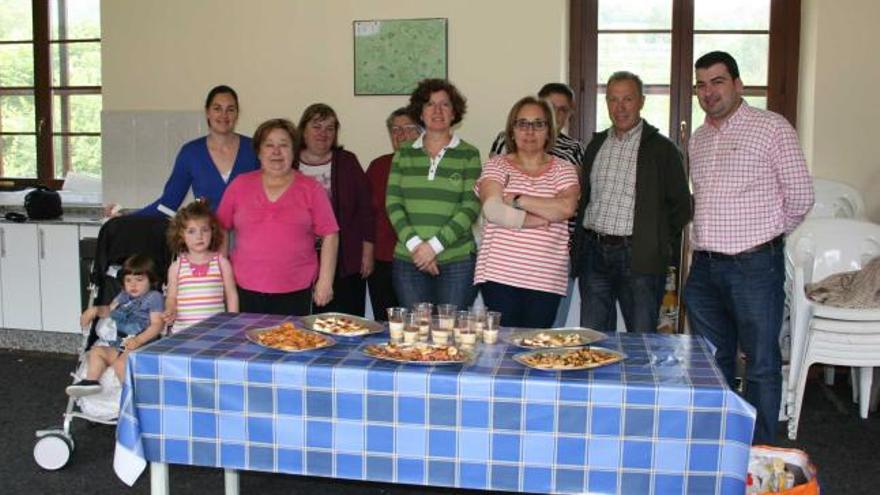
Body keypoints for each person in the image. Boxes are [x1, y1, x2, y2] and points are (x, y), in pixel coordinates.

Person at [684, 51, 814, 445]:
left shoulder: (772, 128)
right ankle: (720, 445)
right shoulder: (698, 140)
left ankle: (759, 453)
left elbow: (801, 196)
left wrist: (766, 240)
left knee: (760, 364)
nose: (709, 92)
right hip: (705, 270)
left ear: (738, 84)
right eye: (701, 85)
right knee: (712, 362)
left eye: (718, 81)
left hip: (754, 267)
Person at [573, 71, 692, 333]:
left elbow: (682, 206)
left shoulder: (663, 149)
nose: (620, 107)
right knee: (592, 337)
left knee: (641, 339)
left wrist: (655, 239)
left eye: (627, 99)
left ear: (641, 101)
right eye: (613, 100)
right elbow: (586, 198)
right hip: (595, 255)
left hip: (639, 257)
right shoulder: (596, 145)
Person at [217, 119, 339, 316]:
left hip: (296, 290)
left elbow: (330, 234)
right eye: (269, 145)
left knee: (292, 344)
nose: (276, 152)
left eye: (283, 145)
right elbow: (220, 229)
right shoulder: (239, 185)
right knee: (246, 346)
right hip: (244, 289)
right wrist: (221, 277)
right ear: (259, 151)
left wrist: (326, 281)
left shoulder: (311, 188)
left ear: (294, 151)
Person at [475, 96, 579, 327]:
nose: (529, 131)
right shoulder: (496, 165)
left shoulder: (564, 169)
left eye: (538, 124)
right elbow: (492, 209)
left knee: (536, 347)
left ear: (549, 131)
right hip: (499, 274)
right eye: (522, 123)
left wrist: (518, 200)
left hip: (546, 276)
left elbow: (566, 208)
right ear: (511, 131)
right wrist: (537, 219)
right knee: (503, 348)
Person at [386, 79, 481, 309]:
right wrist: (418, 247)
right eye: (430, 104)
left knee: (451, 336)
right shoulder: (404, 154)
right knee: (416, 337)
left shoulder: (469, 154)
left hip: (457, 261)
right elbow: (393, 203)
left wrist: (433, 247)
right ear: (420, 111)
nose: (437, 110)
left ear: (454, 112)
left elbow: (470, 206)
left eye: (445, 104)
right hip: (409, 260)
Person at [296, 103, 375, 317]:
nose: (323, 133)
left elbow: (366, 207)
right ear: (303, 130)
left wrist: (367, 250)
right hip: (300, 257)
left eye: (330, 128)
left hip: (345, 258)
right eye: (317, 126)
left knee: (344, 320)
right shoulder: (290, 163)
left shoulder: (347, 161)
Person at [135, 85, 259, 216]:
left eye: (230, 109)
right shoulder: (191, 153)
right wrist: (127, 216)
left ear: (237, 114)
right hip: (205, 235)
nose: (224, 115)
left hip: (250, 234)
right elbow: (167, 204)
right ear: (207, 112)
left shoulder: (254, 149)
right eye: (217, 109)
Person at [66, 255, 164, 396]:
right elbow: (109, 310)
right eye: (128, 280)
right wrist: (95, 310)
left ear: (152, 280)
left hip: (142, 347)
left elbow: (157, 325)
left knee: (121, 364)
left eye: (139, 280)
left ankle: (132, 397)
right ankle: (91, 382)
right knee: (96, 351)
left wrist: (138, 340)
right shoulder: (124, 296)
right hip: (120, 345)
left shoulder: (154, 297)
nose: (133, 285)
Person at [365, 108, 421, 320]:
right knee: (386, 323)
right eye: (395, 130)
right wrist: (367, 252)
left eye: (408, 128)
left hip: (418, 259)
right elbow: (366, 214)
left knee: (419, 323)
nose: (401, 134)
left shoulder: (431, 166)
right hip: (383, 259)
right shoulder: (378, 166)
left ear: (421, 132)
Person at [164, 200, 238, 333]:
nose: (199, 236)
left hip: (215, 333)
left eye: (204, 230)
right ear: (181, 235)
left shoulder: (222, 263)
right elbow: (171, 297)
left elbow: (231, 295)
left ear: (212, 232)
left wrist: (232, 324)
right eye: (191, 231)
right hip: (183, 333)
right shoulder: (176, 267)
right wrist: (170, 310)